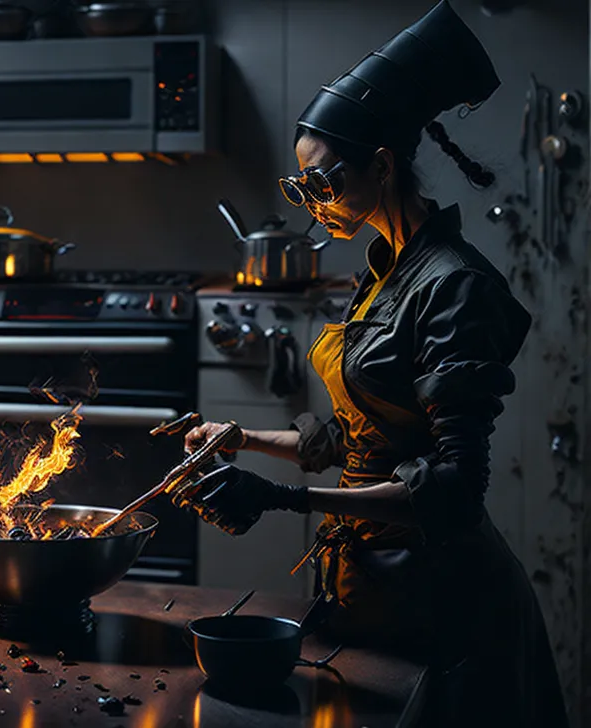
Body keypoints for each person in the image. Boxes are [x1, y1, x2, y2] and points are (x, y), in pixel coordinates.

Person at [177, 2, 569, 726]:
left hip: (449, 605)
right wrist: (242, 438)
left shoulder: (453, 284)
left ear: (381, 165)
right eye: (302, 190)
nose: (313, 204)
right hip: (376, 587)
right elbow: (363, 440)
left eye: (323, 184)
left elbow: (452, 490)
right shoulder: (386, 269)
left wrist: (279, 499)